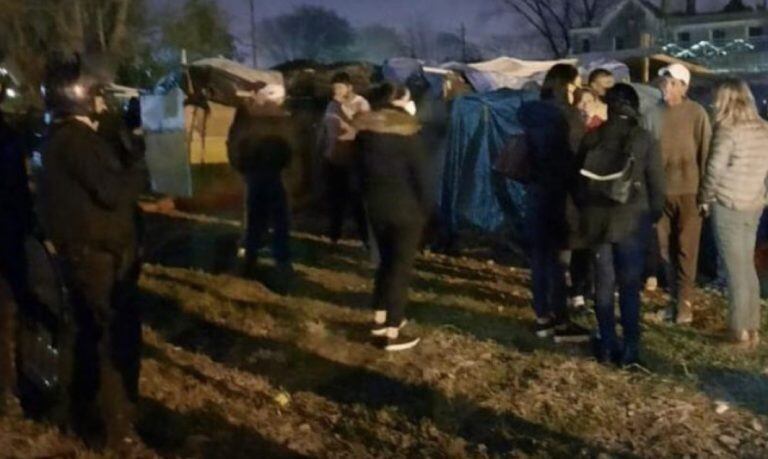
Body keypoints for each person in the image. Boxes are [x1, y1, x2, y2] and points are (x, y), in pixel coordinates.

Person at [38, 54, 146, 451]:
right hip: (97, 258)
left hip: (84, 254)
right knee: (111, 340)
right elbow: (112, 191)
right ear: (79, 98)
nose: (102, 103)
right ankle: (116, 430)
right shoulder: (75, 140)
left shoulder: (60, 138)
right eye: (97, 95)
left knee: (82, 334)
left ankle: (74, 414)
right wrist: (140, 164)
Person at [575, 83, 666, 366]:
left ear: (610, 107)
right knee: (628, 287)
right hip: (631, 223)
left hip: (598, 222)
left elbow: (577, 185)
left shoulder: (592, 137)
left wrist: (588, 212)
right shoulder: (645, 139)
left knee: (603, 285)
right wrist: (651, 216)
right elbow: (657, 187)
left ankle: (606, 346)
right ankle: (630, 350)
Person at [354, 83, 429, 352]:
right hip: (406, 210)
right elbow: (421, 178)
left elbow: (357, 176)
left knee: (386, 263)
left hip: (376, 207)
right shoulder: (408, 135)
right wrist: (427, 212)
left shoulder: (364, 135)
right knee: (400, 269)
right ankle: (392, 332)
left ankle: (379, 318)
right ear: (398, 103)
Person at [518, 63, 590, 343]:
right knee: (560, 261)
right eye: (576, 85)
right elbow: (578, 158)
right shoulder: (569, 117)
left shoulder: (531, 113)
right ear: (566, 86)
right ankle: (561, 321)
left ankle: (542, 317)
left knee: (539, 259)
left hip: (535, 193)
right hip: (562, 196)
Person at [699, 78, 768, 348]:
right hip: (753, 204)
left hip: (728, 203)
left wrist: (705, 197)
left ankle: (739, 331)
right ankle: (753, 328)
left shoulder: (728, 130)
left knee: (734, 269)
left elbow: (714, 169)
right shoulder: (764, 128)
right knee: (747, 267)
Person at [643, 63, 712, 325]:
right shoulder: (652, 114)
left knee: (686, 250)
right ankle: (674, 301)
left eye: (672, 83)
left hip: (690, 192)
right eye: (664, 82)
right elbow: (646, 155)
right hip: (661, 192)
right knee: (664, 250)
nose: (666, 87)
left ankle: (684, 305)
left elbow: (705, 153)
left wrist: (706, 194)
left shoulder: (697, 113)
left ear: (684, 87)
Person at [227, 82, 295, 292]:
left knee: (255, 218)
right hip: (273, 174)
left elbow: (234, 144)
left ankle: (248, 261)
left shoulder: (247, 116)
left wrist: (241, 168)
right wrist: (283, 165)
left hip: (253, 174)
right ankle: (282, 266)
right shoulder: (283, 119)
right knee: (280, 221)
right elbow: (288, 148)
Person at [0, 80, 32, 415]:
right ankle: (11, 389)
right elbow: (18, 191)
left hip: (10, 235)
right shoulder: (8, 137)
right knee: (10, 313)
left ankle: (10, 388)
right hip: (9, 237)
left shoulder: (9, 136)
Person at [321, 72, 370, 247]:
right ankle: (334, 235)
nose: (335, 91)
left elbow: (364, 128)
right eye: (333, 88)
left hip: (353, 159)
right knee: (335, 198)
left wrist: (346, 111)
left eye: (339, 87)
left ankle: (366, 239)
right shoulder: (331, 106)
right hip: (333, 157)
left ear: (349, 87)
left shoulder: (361, 104)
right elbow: (325, 130)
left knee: (358, 201)